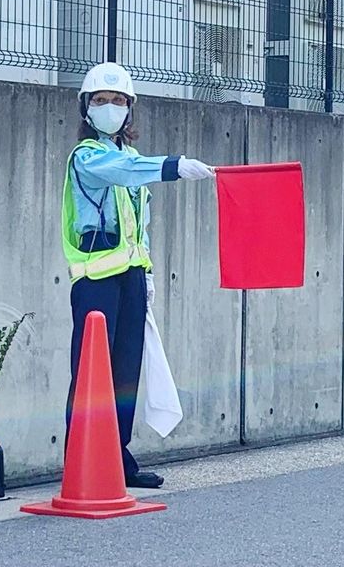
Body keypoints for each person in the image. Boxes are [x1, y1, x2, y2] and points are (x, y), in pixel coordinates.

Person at [62, 62, 214, 490]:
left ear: (130, 109)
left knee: (127, 368)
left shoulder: (131, 158)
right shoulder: (89, 156)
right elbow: (122, 173)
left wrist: (145, 271)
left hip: (129, 277)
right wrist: (174, 165)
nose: (110, 107)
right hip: (94, 279)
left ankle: (117, 455)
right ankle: (80, 456)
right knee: (93, 370)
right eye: (101, 101)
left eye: (118, 101)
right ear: (86, 109)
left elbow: (138, 223)